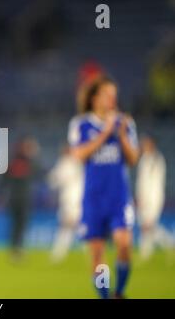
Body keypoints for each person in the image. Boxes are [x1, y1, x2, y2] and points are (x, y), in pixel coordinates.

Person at [68, 76, 139, 299]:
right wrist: (105, 134)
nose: (112, 99)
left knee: (124, 244)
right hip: (94, 198)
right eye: (107, 94)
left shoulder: (125, 123)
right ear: (95, 98)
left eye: (114, 95)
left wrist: (121, 136)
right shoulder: (81, 124)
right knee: (97, 254)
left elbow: (133, 159)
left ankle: (119, 291)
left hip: (119, 196)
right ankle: (105, 295)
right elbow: (78, 155)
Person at [136, 134, 174, 260]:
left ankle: (169, 243)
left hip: (154, 198)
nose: (143, 145)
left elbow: (156, 183)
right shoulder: (144, 159)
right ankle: (146, 253)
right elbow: (141, 182)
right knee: (145, 227)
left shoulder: (157, 159)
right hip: (144, 197)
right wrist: (140, 196)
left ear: (151, 144)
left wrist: (150, 199)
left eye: (146, 143)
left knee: (149, 225)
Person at [48, 145, 83, 263]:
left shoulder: (70, 162)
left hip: (73, 199)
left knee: (69, 226)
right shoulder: (74, 161)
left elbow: (55, 180)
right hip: (72, 199)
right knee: (72, 226)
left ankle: (59, 253)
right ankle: (59, 253)